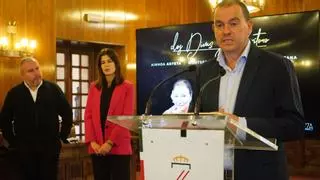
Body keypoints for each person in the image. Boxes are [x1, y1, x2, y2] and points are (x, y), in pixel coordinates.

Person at [196, 0, 304, 180]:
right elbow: (197, 117)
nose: (226, 31)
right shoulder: (204, 71)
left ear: (249, 26)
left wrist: (240, 125)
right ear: (213, 29)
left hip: (260, 173)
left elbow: (294, 125)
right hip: (212, 171)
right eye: (219, 25)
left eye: (234, 23)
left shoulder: (277, 66)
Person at [0, 57, 73, 180]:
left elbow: (67, 113)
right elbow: (4, 120)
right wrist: (13, 142)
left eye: (37, 68)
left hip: (50, 150)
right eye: (31, 71)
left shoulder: (53, 89)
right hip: (24, 151)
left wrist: (62, 137)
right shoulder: (14, 93)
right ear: (22, 75)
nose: (36, 73)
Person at [84, 48, 134, 180]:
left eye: (109, 61)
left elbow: (125, 118)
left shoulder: (127, 87)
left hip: (118, 146)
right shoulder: (94, 87)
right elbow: (88, 115)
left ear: (116, 64)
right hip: (97, 147)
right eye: (103, 62)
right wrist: (92, 141)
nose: (106, 65)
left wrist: (110, 143)